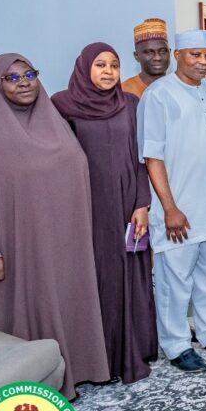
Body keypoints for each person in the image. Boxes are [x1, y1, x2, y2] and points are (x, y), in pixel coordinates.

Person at [0, 54, 109, 399]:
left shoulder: (54, 122)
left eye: (29, 74)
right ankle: (29, 387)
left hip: (64, 243)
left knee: (66, 302)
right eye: (12, 78)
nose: (24, 83)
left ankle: (75, 371)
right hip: (16, 247)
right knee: (27, 310)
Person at [138, 29, 206, 372]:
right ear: (177, 56)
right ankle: (176, 344)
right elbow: (152, 157)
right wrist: (169, 207)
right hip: (178, 208)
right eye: (195, 55)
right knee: (175, 281)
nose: (202, 62)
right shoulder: (158, 96)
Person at [52, 43, 158, 384]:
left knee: (129, 275)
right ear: (85, 68)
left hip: (127, 206)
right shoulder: (61, 105)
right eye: (100, 65)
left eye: (114, 65)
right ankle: (95, 359)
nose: (109, 71)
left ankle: (130, 352)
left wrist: (141, 203)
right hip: (86, 208)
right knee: (95, 277)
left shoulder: (130, 104)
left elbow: (141, 158)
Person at [121, 18, 171, 98]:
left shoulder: (179, 88)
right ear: (136, 56)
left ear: (170, 52)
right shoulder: (124, 91)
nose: (157, 58)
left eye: (162, 51)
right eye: (149, 52)